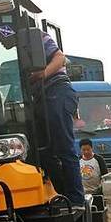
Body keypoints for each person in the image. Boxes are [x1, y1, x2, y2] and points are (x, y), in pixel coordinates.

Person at [31, 32, 86, 208]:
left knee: (64, 148)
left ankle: (76, 199)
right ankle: (63, 195)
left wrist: (43, 74)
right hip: (40, 97)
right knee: (42, 151)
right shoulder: (17, 52)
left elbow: (60, 58)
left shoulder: (35, 37)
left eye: (2, 35)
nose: (1, 42)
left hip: (57, 91)